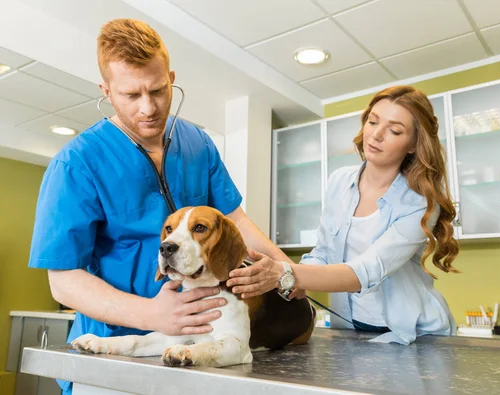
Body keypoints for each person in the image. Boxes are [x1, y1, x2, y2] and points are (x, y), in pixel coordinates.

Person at [28, 19, 291, 395]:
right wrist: (150, 314)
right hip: (116, 348)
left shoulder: (197, 143)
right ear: (106, 91)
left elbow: (234, 220)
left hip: (196, 344)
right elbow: (63, 280)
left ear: (171, 78)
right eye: (131, 95)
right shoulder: (77, 163)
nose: (149, 108)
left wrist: (288, 272)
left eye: (158, 90)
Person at [228, 85, 460, 344]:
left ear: (413, 145)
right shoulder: (340, 181)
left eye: (394, 130)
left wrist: (286, 273)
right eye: (373, 122)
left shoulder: (419, 202)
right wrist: (289, 277)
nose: (377, 135)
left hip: (417, 334)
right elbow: (323, 253)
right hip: (352, 330)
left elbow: (367, 270)